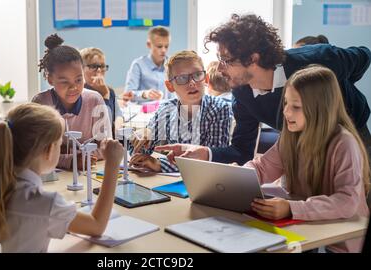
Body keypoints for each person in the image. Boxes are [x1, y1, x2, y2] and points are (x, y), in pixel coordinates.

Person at [156, 14, 371, 166]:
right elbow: (242, 151)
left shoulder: (319, 59)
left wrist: (335, 89)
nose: (220, 68)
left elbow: (363, 55)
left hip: (351, 131)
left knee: (360, 199)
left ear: (253, 59)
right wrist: (203, 152)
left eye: (226, 60)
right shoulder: (242, 93)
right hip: (303, 141)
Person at [0, 103, 124, 253]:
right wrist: (112, 164)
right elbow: (96, 225)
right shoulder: (46, 203)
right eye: (59, 143)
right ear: (49, 150)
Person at [246, 65, 369, 253]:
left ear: (320, 109)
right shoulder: (290, 137)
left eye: (296, 107)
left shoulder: (344, 143)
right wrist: (239, 175)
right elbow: (263, 168)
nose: (286, 112)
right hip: (307, 231)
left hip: (344, 240)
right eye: (286, 103)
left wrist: (291, 208)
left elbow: (347, 202)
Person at [129, 51, 231, 173]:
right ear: (170, 86)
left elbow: (210, 162)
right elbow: (141, 155)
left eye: (198, 75)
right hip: (171, 182)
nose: (192, 82)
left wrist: (159, 164)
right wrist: (141, 138)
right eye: (182, 78)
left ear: (206, 79)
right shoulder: (165, 109)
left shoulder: (219, 109)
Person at [33, 34, 112, 170]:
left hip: (90, 171)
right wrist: (71, 160)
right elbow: (36, 153)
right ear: (50, 79)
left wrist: (67, 153)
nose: (73, 87)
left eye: (78, 79)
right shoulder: (41, 103)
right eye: (64, 81)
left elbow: (106, 146)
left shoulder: (95, 99)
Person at [122, 26, 175, 105]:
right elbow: (127, 95)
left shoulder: (172, 64)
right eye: (159, 46)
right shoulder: (138, 65)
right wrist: (144, 94)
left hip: (167, 110)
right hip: (144, 113)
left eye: (166, 46)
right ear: (149, 45)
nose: (164, 50)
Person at [80, 47, 123, 134]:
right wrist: (105, 95)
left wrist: (119, 120)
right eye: (93, 66)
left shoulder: (109, 90)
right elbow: (102, 129)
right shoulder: (82, 94)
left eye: (102, 66)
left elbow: (118, 113)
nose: (99, 70)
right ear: (81, 69)